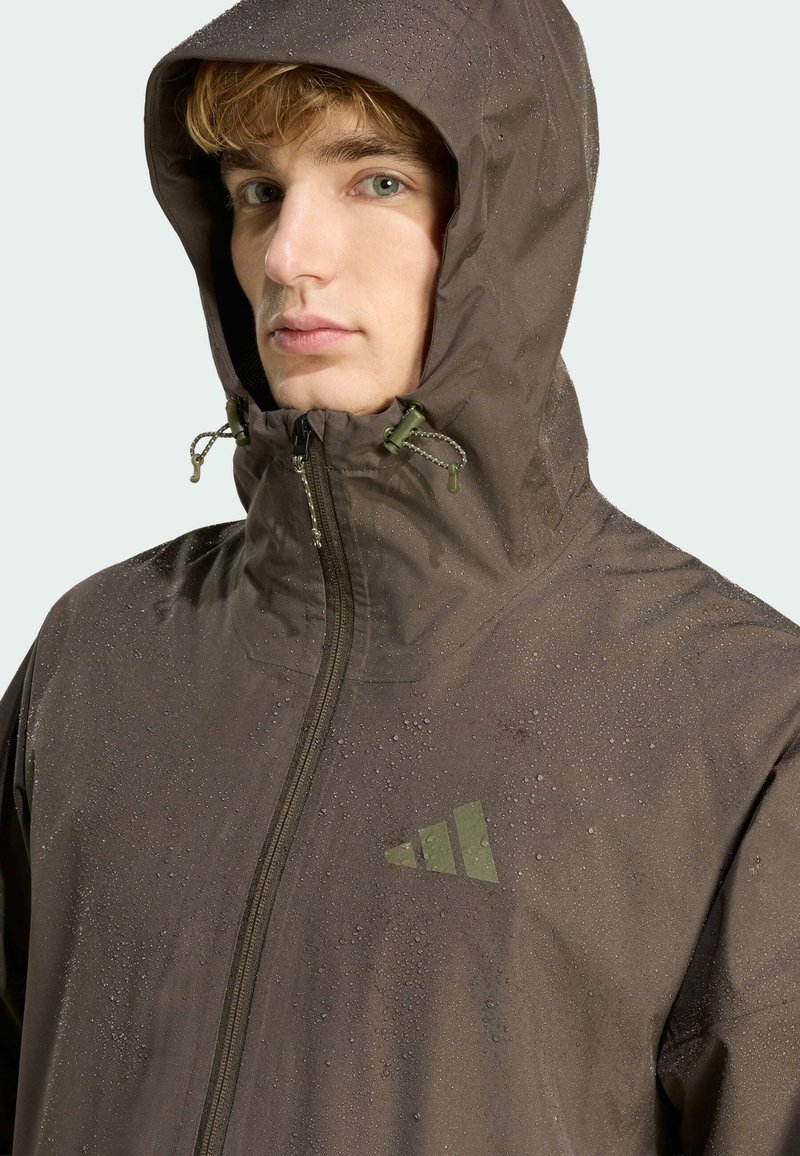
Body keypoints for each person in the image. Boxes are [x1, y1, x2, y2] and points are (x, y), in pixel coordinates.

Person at [2, 0, 799, 1152]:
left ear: (502, 228)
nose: (288, 256)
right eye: (256, 191)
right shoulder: (96, 659)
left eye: (374, 181)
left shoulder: (736, 721)